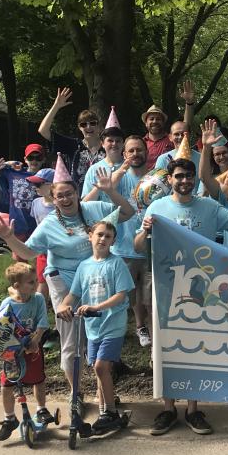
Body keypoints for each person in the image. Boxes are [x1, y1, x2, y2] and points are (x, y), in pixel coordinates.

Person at [0, 159, 133, 413]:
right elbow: (29, 253)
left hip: (95, 279)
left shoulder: (94, 208)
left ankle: (103, 394)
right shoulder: (49, 225)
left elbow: (128, 213)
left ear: (77, 193)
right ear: (53, 200)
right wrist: (9, 238)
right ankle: (75, 395)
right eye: (60, 196)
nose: (65, 199)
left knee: (96, 335)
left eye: (69, 194)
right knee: (71, 341)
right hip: (64, 284)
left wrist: (110, 190)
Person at [134, 158, 228, 436]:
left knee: (196, 345)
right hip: (165, 288)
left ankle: (193, 410)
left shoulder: (209, 207)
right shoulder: (158, 208)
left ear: (194, 179)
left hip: (201, 288)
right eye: (179, 176)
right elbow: (138, 247)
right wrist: (147, 230)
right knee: (165, 346)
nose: (184, 180)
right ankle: (168, 408)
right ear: (170, 179)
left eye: (189, 176)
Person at [56, 219, 134, 433]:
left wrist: (96, 306)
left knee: (101, 367)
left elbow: (121, 295)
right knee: (98, 369)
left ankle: (110, 412)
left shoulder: (116, 264)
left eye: (108, 237)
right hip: (93, 328)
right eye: (99, 234)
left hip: (113, 324)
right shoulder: (84, 266)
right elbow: (74, 293)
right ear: (90, 236)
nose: (102, 239)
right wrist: (64, 305)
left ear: (113, 241)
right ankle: (104, 410)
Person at [0, 263, 53, 441]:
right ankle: (9, 418)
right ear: (16, 286)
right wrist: (11, 347)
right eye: (30, 282)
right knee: (7, 384)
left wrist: (35, 341)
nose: (35, 284)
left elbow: (43, 322)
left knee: (38, 379)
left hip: (32, 346)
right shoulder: (7, 304)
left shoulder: (38, 299)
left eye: (36, 280)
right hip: (12, 351)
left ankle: (41, 409)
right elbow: (1, 328)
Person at [106, 136, 152, 347]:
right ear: (124, 154)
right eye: (131, 151)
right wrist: (123, 167)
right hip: (124, 245)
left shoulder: (154, 177)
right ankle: (139, 326)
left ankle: (151, 328)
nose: (136, 154)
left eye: (139, 150)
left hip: (151, 246)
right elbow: (109, 187)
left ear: (147, 152)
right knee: (131, 295)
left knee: (148, 294)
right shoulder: (121, 177)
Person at [37, 88, 105, 190]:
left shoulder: (109, 146)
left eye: (92, 123)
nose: (88, 127)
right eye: (83, 124)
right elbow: (43, 130)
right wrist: (56, 106)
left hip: (104, 199)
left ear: (99, 126)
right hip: (77, 200)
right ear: (79, 127)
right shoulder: (73, 145)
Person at [0, 143, 48, 249]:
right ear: (25, 159)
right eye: (30, 157)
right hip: (17, 224)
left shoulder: (46, 176)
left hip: (39, 224)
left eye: (38, 158)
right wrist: (12, 162)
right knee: (19, 261)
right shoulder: (13, 172)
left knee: (40, 257)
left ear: (43, 160)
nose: (34, 161)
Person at [142, 81, 196, 170]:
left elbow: (185, 125)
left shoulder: (172, 139)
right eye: (151, 119)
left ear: (163, 122)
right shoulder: (141, 143)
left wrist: (189, 103)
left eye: (158, 119)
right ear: (146, 123)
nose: (155, 121)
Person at [27, 168, 56, 302]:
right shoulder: (35, 203)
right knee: (41, 280)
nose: (35, 187)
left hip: (58, 251)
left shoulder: (60, 206)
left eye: (38, 184)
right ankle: (39, 310)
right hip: (42, 251)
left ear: (51, 185)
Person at [154, 121, 202, 193]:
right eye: (176, 134)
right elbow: (157, 187)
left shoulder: (201, 158)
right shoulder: (163, 159)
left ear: (190, 135)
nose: (180, 137)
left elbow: (204, 184)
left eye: (184, 134)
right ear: (170, 137)